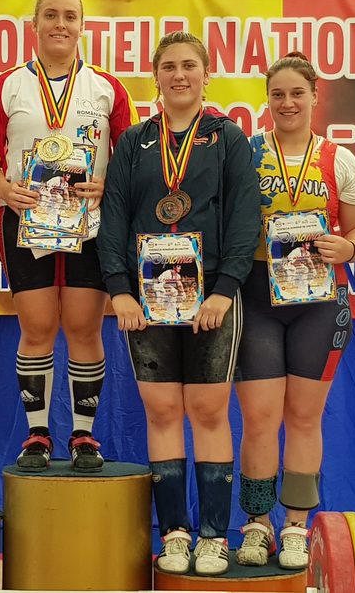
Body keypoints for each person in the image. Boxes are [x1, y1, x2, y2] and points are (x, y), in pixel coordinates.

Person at [98, 31, 260, 576]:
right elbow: (114, 217)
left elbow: (244, 217)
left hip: (211, 297)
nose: (179, 75)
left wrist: (225, 289)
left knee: (209, 411)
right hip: (146, 299)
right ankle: (173, 532)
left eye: (190, 65)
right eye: (169, 66)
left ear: (206, 75)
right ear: (156, 77)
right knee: (163, 411)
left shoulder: (228, 137)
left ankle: (213, 536)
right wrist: (119, 289)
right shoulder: (133, 141)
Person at [0, 0, 137, 471]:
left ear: (83, 26)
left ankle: (84, 436)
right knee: (37, 326)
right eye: (51, 15)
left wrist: (107, 184)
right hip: (27, 222)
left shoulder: (107, 88)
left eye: (70, 16)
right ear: (34, 25)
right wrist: (5, 191)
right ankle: (38, 434)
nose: (61, 24)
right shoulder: (6, 86)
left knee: (84, 326)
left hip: (90, 225)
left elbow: (130, 160)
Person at [233, 53, 355, 568]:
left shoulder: (339, 158)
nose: (287, 103)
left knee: (305, 417)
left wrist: (348, 248)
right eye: (277, 94)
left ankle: (295, 525)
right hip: (257, 296)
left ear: (315, 95)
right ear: (266, 100)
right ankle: (256, 523)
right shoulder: (244, 152)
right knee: (260, 418)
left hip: (319, 300)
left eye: (297, 93)